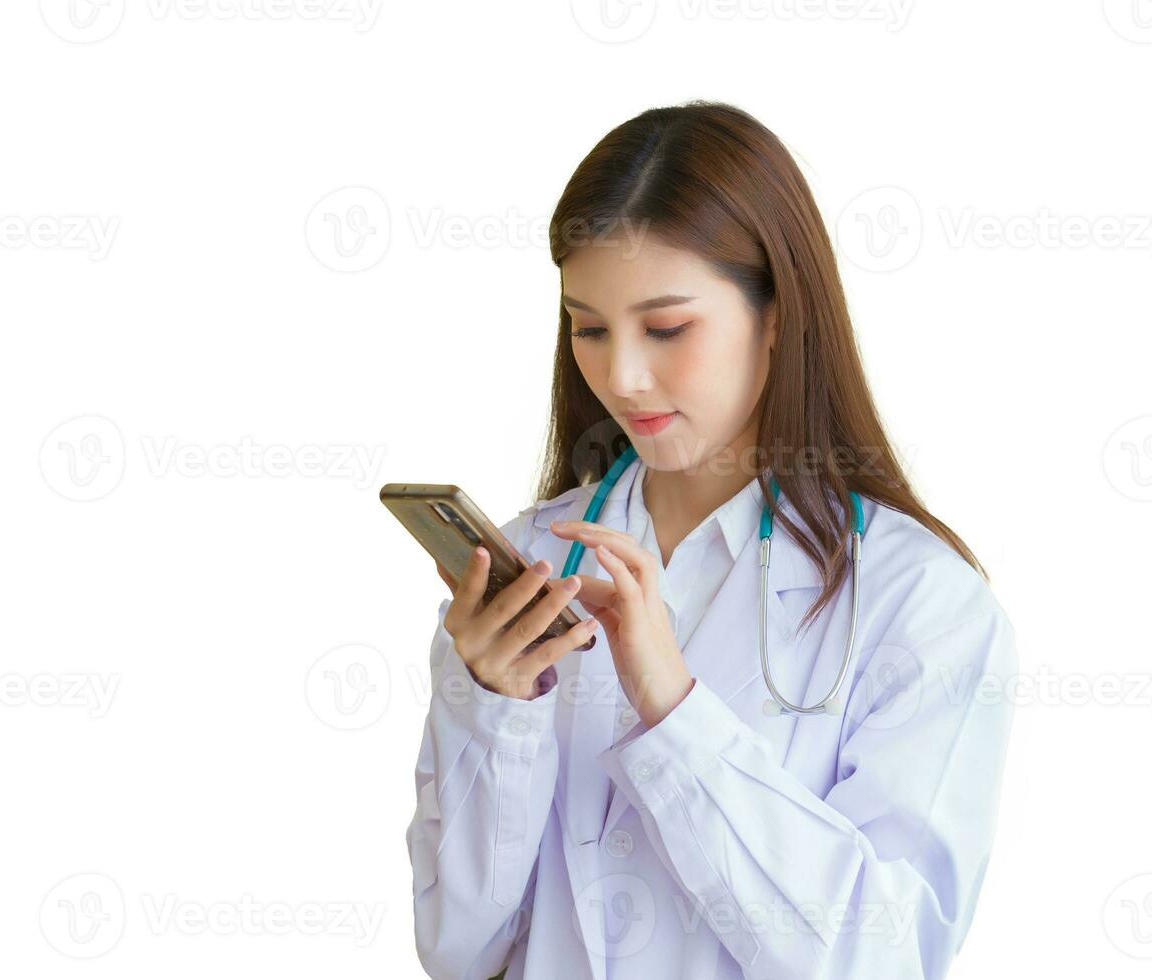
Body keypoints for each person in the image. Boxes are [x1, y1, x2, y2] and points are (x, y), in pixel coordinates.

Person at [405, 101, 1017, 980]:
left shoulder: (923, 603)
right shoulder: (526, 567)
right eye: (589, 327)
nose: (621, 374)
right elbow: (458, 951)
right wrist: (496, 708)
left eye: (666, 328)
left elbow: (882, 961)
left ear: (777, 311)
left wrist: (676, 712)